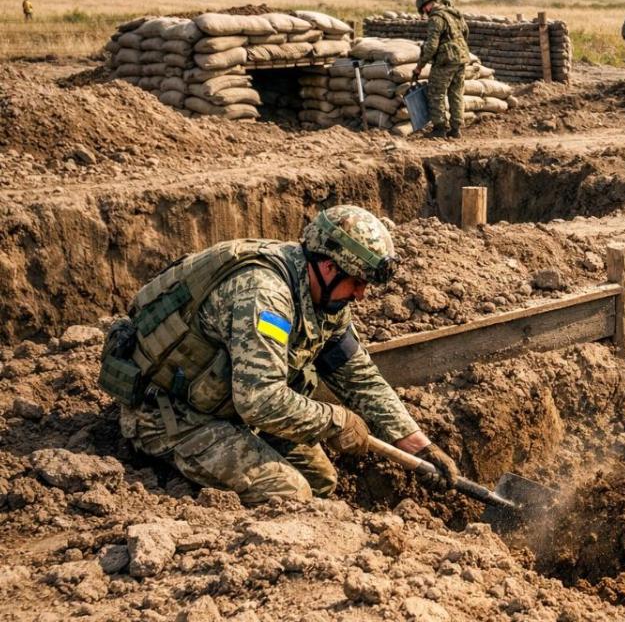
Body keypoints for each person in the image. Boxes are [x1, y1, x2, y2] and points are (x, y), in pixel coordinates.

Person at [100, 205, 460, 504]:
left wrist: (418, 445)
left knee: (320, 480)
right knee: (290, 492)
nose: (362, 294)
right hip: (170, 414)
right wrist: (335, 421)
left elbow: (358, 376)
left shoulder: (325, 296)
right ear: (329, 266)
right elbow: (260, 399)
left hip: (228, 406)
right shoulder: (264, 296)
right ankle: (173, 473)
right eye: (358, 282)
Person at [412, 0, 470, 139]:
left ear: (425, 7)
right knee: (456, 93)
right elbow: (466, 32)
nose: (424, 13)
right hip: (461, 57)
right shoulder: (453, 13)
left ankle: (439, 128)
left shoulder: (436, 18)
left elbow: (431, 46)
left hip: (447, 60)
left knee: (436, 92)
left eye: (423, 10)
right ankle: (456, 128)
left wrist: (420, 66)